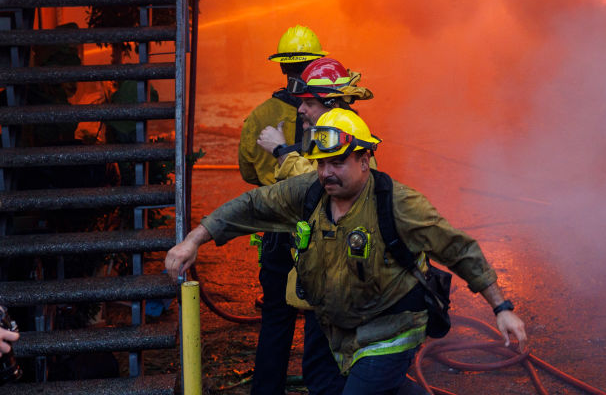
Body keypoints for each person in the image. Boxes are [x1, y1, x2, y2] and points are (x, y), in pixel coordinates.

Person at [168, 108, 527, 394]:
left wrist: (502, 308)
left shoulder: (398, 204)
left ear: (364, 160)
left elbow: (459, 249)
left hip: (391, 328)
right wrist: (195, 239)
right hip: (336, 332)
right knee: (324, 384)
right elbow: (253, 206)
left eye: (338, 162)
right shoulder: (310, 192)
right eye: (322, 163)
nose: (327, 173)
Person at [237, 25, 341, 395]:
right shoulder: (332, 117)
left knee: (276, 318)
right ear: (317, 62)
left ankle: (267, 390)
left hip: (279, 232)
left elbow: (248, 171)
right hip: (323, 232)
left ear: (282, 67)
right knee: (321, 319)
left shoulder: (260, 116)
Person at [256, 56, 373, 182]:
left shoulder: (348, 139)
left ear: (333, 105)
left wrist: (281, 150)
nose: (300, 109)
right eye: (302, 102)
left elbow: (319, 186)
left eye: (310, 103)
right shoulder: (323, 137)